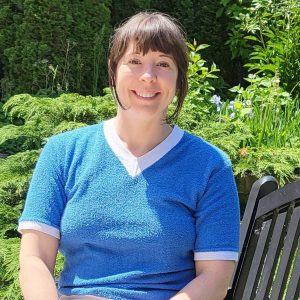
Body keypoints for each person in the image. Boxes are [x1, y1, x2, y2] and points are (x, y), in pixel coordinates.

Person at [18, 12, 240, 300]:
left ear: (179, 78)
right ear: (113, 70)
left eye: (163, 64)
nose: (148, 76)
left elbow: (215, 278)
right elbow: (34, 259)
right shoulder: (62, 153)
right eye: (134, 61)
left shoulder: (210, 166)